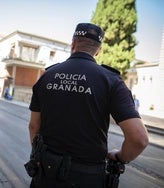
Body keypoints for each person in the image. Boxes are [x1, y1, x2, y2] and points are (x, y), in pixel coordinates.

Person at [27, 23, 148, 188]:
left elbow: (34, 126)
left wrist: (37, 156)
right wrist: (120, 157)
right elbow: (139, 138)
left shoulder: (47, 76)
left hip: (47, 172)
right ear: (98, 50)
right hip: (87, 177)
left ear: (73, 43)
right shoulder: (111, 81)